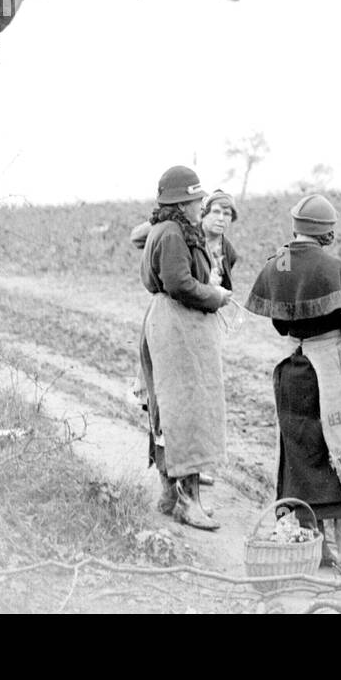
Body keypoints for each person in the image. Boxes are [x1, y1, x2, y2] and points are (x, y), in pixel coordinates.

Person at [246, 194, 341, 575]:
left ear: (296, 227)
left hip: (294, 372)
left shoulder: (278, 263)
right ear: (327, 232)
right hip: (330, 373)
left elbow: (278, 321)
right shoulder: (334, 266)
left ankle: (314, 548)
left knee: (299, 457)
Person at [137, 165, 230, 530]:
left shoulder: (160, 229)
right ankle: (188, 502)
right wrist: (216, 295)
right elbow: (179, 283)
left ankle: (169, 494)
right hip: (178, 326)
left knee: (167, 408)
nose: (201, 205)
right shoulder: (175, 233)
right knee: (187, 412)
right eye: (196, 199)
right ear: (181, 203)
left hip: (165, 322)